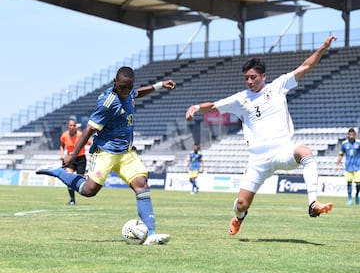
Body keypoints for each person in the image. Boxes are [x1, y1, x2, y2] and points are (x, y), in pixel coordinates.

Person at [185, 35, 337, 236]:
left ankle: (313, 202)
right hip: (258, 158)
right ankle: (239, 217)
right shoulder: (241, 99)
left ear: (263, 76)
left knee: (305, 152)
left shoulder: (278, 86)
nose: (249, 81)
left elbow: (305, 66)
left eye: (253, 77)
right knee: (241, 204)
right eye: (246, 78)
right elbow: (213, 106)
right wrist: (195, 107)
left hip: (282, 150)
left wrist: (324, 46)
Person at [36, 66, 176, 245]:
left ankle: (151, 233)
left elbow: (136, 94)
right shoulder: (108, 103)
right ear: (115, 83)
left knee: (141, 184)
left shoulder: (129, 92)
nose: (125, 91)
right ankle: (58, 172)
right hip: (106, 152)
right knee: (89, 191)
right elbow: (89, 129)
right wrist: (71, 156)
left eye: (128, 87)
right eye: (122, 87)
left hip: (126, 152)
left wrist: (159, 85)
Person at [60, 117, 92, 205]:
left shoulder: (80, 135)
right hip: (70, 159)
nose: (72, 127)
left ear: (76, 126)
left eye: (74, 125)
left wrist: (91, 155)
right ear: (68, 126)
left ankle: (85, 186)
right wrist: (62, 154)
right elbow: (62, 145)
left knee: (79, 180)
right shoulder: (64, 136)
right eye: (70, 125)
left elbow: (90, 143)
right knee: (69, 178)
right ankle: (72, 200)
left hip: (81, 159)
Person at [335, 128, 360, 205]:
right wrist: (337, 164)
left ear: (355, 135)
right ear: (348, 135)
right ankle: (349, 199)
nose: (351, 136)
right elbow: (341, 155)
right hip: (348, 167)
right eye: (350, 135)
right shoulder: (344, 144)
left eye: (353, 135)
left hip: (358, 167)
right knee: (349, 183)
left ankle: (356, 195)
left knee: (358, 183)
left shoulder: (359, 143)